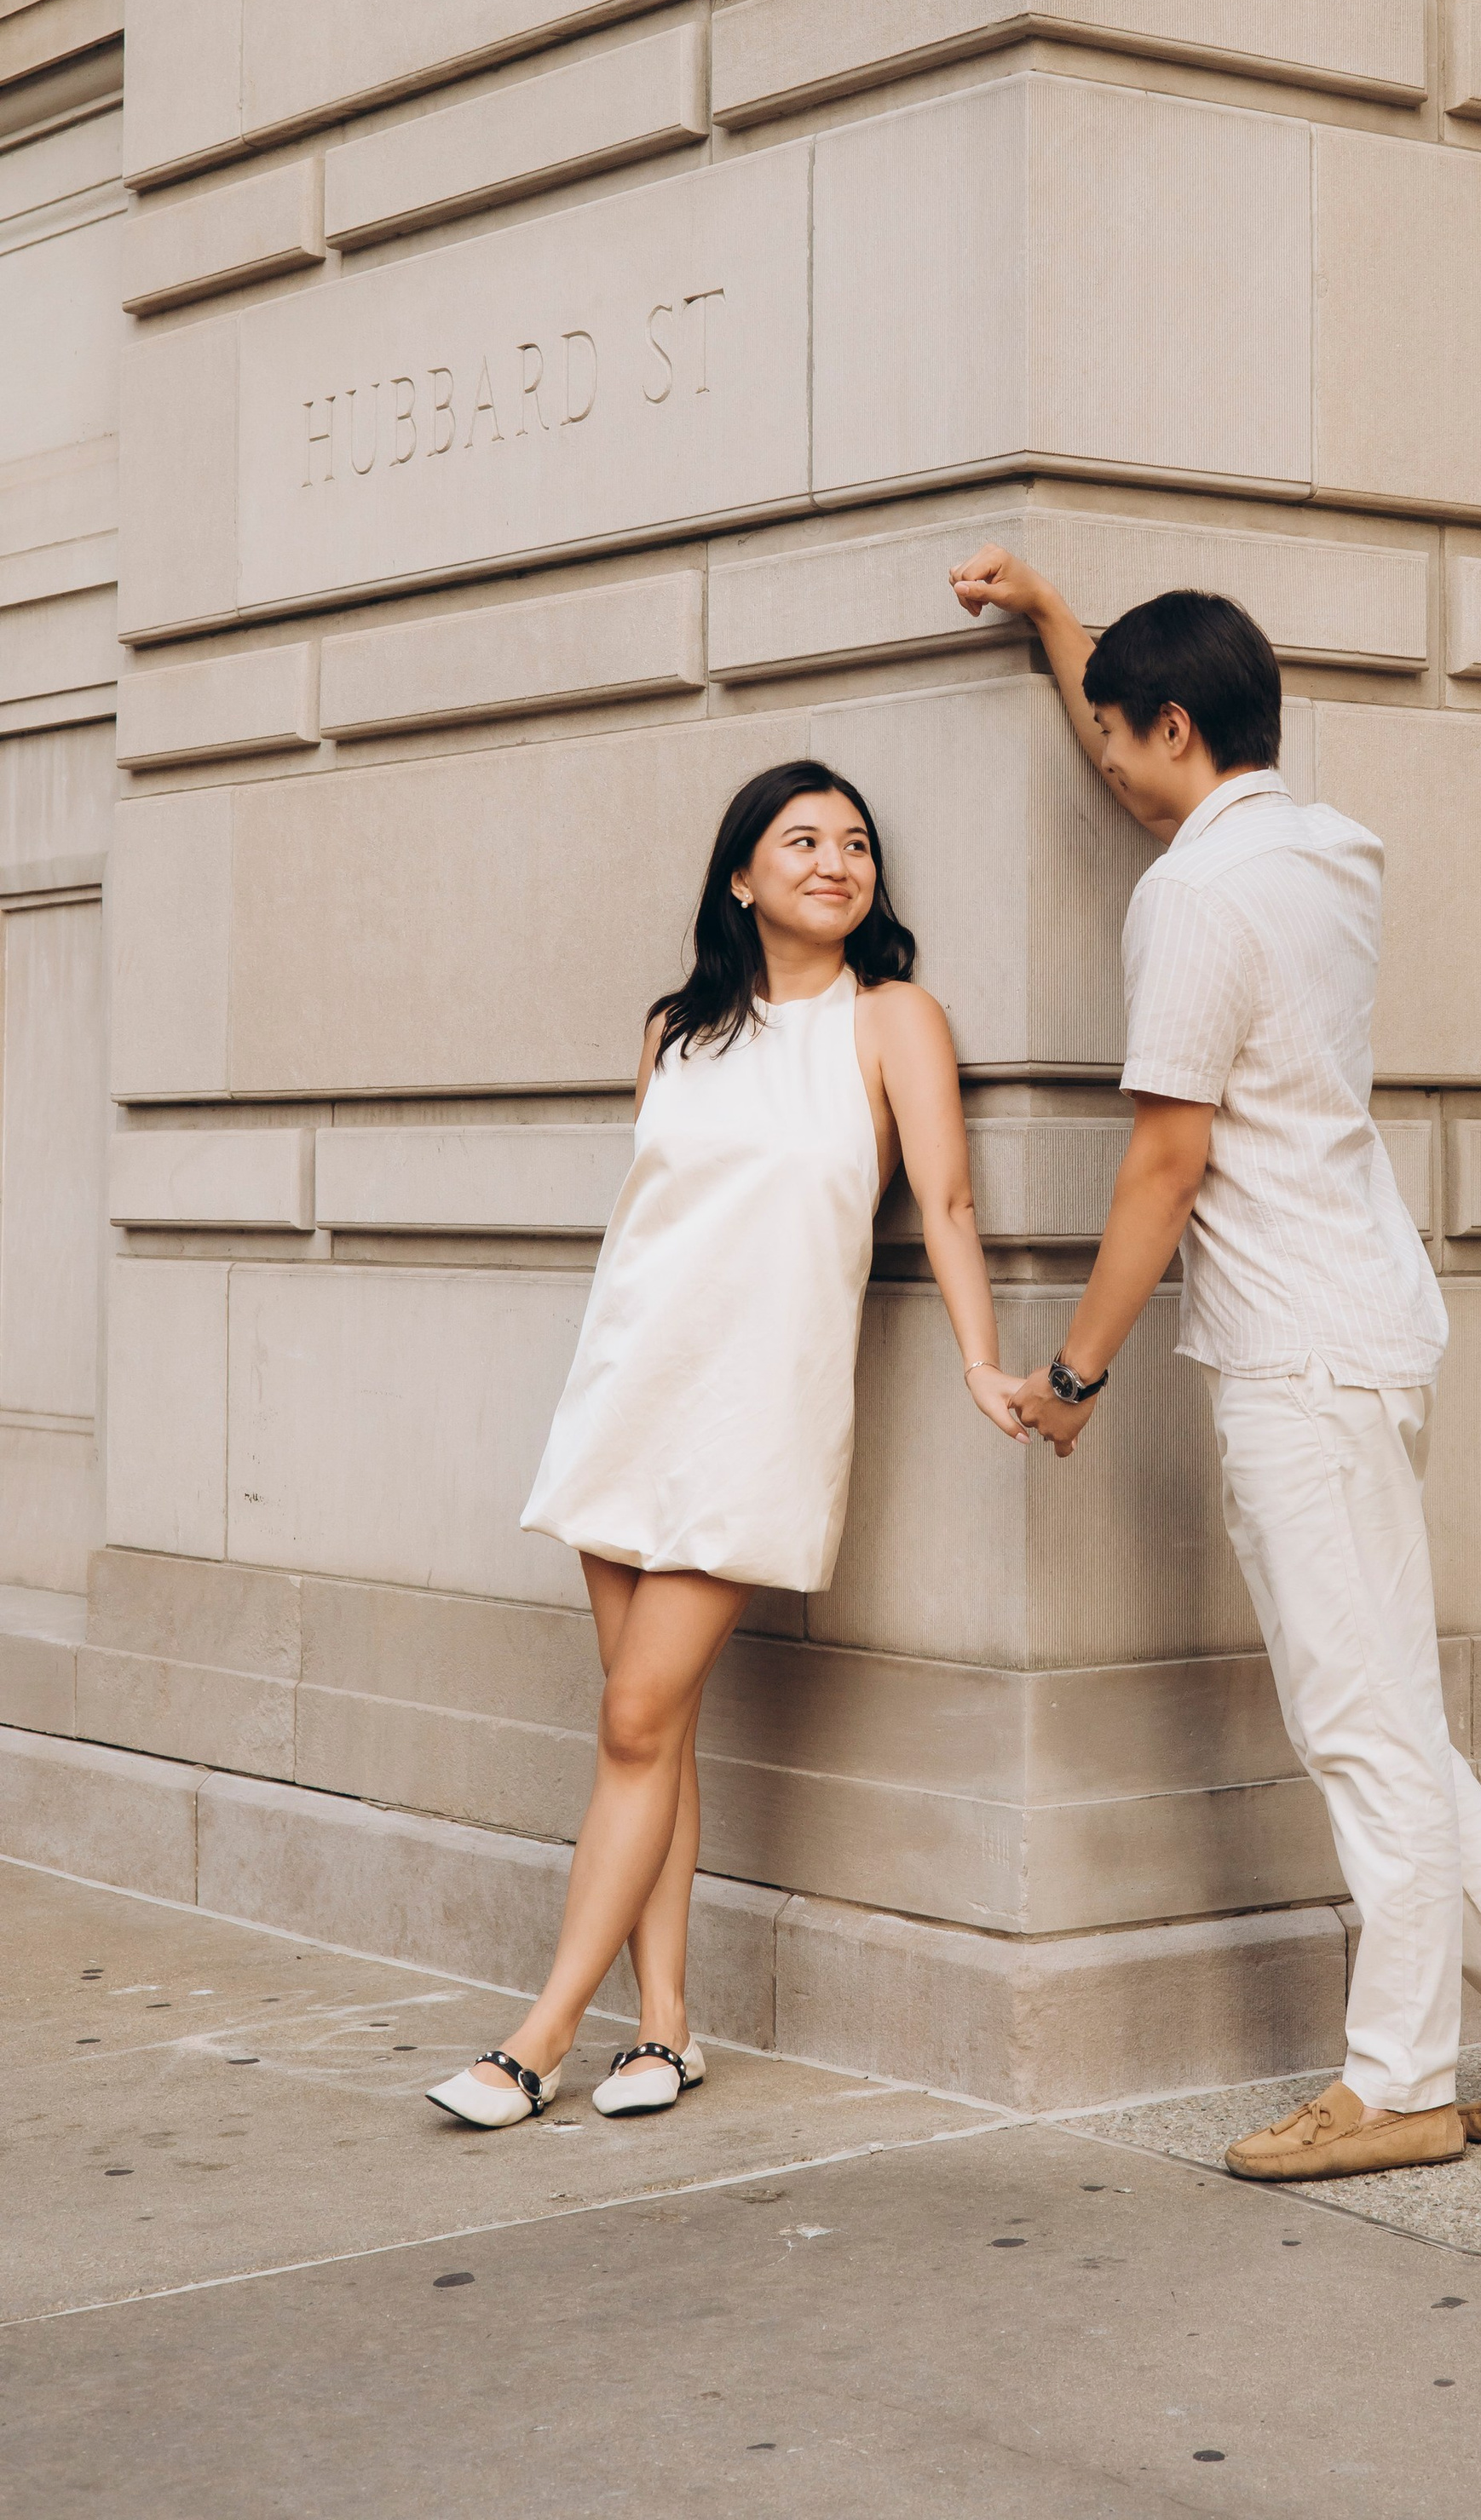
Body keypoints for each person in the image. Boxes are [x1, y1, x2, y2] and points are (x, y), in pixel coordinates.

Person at [946, 551, 1481, 2181]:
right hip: (1370, 1326)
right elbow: (1156, 763)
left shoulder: (1195, 895)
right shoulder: (1321, 852)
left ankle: (1397, 2079)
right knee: (1394, 1709)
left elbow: (1163, 1162)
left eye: (1122, 740)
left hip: (1298, 1357)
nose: (1109, 771)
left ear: (1179, 726)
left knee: (1357, 1728)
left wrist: (1073, 1377)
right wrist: (1070, 627)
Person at [427, 760, 1025, 2130]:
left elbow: (942, 1197)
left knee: (633, 1719)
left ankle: (541, 2035)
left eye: (858, 843)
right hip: (630, 1391)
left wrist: (982, 1362)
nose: (837, 860)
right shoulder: (674, 1033)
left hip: (756, 1412)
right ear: (741, 877)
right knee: (658, 1730)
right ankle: (669, 2030)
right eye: (802, 839)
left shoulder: (893, 1021)